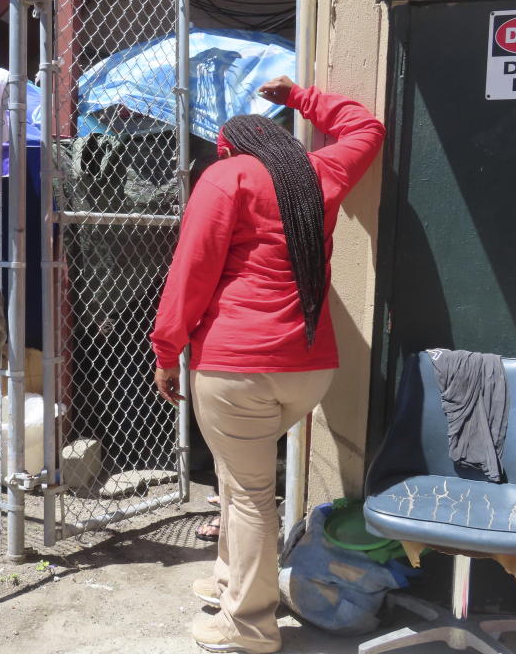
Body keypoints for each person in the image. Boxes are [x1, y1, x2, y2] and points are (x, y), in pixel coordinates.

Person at [151, 76, 385, 653]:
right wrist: (301, 96)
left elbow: (192, 271)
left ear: (232, 148)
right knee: (239, 477)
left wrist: (166, 349)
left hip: (237, 369)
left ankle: (250, 626)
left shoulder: (225, 176)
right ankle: (232, 582)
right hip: (309, 369)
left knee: (250, 491)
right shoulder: (320, 174)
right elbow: (366, 127)